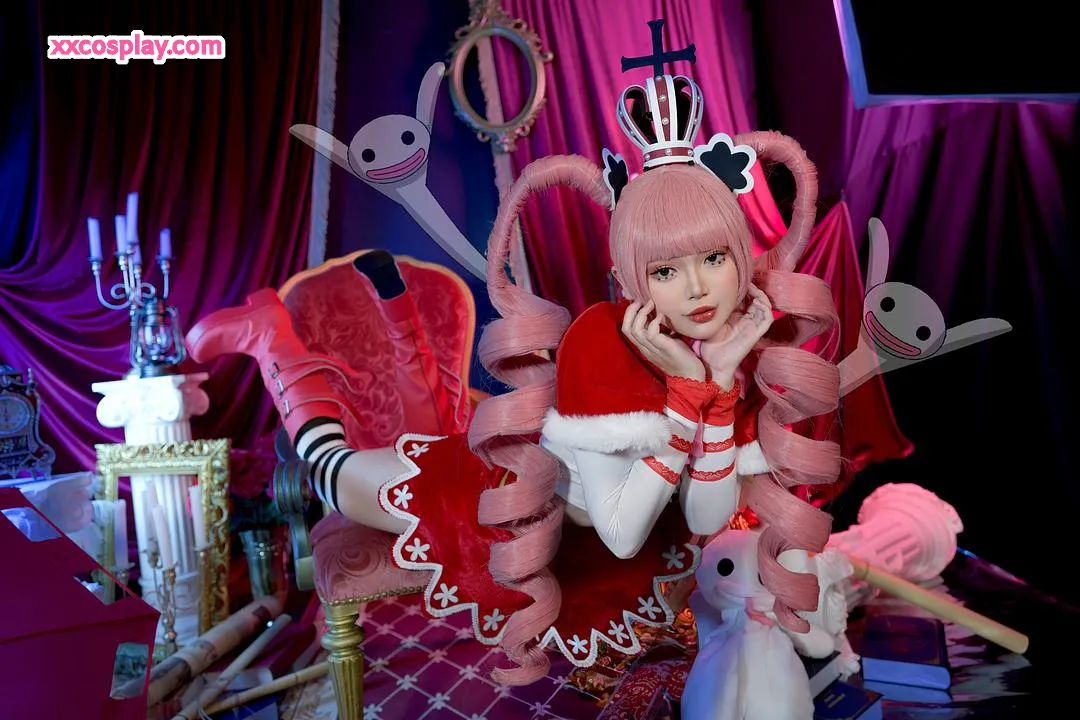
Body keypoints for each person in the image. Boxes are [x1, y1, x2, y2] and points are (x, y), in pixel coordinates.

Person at [185, 63, 840, 685]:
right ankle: (273, 339)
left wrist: (717, 388)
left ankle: (304, 343)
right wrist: (691, 395)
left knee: (355, 449)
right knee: (328, 466)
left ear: (741, 253)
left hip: (565, 529)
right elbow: (618, 532)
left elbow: (706, 510)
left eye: (714, 258)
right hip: (482, 501)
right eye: (665, 270)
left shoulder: (740, 348)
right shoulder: (601, 340)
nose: (696, 289)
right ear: (628, 277)